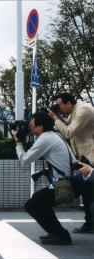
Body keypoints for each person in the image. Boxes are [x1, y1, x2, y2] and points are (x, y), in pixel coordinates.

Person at [15, 112, 75, 245]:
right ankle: (57, 232)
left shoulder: (45, 139)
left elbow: (24, 160)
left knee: (33, 205)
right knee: (39, 201)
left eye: (30, 125)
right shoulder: (54, 135)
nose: (28, 127)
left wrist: (18, 141)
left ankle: (61, 235)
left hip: (66, 184)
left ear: (40, 127)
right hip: (72, 180)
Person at [48, 92, 94, 234]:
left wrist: (56, 118)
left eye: (59, 105)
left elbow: (69, 132)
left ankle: (91, 223)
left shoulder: (83, 110)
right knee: (87, 192)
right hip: (84, 156)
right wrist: (58, 117)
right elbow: (68, 125)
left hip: (91, 156)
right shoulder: (76, 110)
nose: (58, 108)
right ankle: (90, 223)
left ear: (68, 103)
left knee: (90, 191)